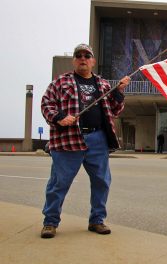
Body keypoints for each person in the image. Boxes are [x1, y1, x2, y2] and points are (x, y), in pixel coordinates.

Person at [40, 43, 131, 239]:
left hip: (98, 139)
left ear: (93, 61)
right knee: (59, 183)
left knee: (101, 181)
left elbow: (115, 110)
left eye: (87, 55)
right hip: (68, 140)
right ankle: (50, 222)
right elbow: (46, 103)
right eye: (79, 55)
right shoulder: (60, 82)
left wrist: (119, 92)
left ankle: (97, 220)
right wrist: (59, 117)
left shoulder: (104, 84)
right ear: (74, 60)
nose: (83, 58)